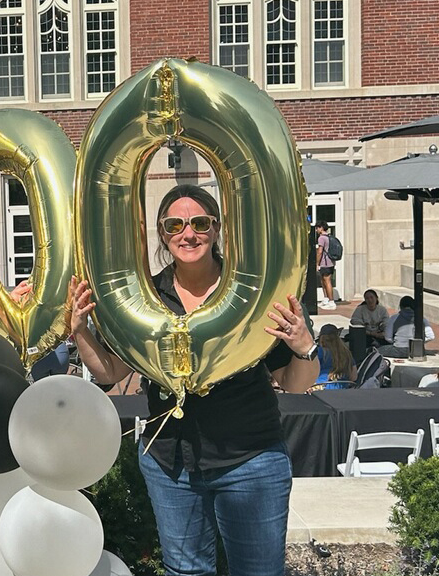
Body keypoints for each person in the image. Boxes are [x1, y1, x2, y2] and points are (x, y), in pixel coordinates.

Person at [69, 184, 318, 576]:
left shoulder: (252, 294)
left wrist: (305, 346)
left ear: (217, 229)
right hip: (171, 465)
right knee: (185, 572)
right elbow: (111, 371)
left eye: (200, 223)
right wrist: (81, 330)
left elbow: (295, 383)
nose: (189, 234)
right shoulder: (145, 296)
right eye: (175, 225)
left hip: (250, 460)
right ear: (163, 235)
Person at [315, 221, 336, 310]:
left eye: (317, 228)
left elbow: (320, 251)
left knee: (326, 281)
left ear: (321, 228)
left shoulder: (321, 238)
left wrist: (317, 263)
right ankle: (326, 299)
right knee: (323, 280)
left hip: (325, 263)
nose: (316, 230)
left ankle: (331, 301)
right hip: (330, 262)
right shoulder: (329, 237)